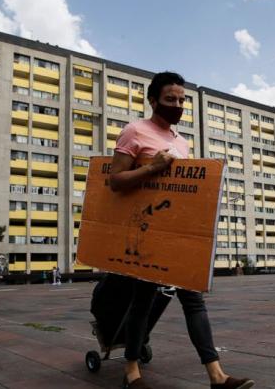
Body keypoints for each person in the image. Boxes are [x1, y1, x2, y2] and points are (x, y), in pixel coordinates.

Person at [109, 72, 254, 389]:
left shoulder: (181, 141)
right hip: (147, 232)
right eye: (170, 99)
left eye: (181, 100)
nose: (177, 105)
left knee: (194, 301)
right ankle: (131, 370)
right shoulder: (134, 131)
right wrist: (151, 167)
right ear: (153, 101)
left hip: (178, 233)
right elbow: (114, 182)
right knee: (142, 301)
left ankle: (217, 376)